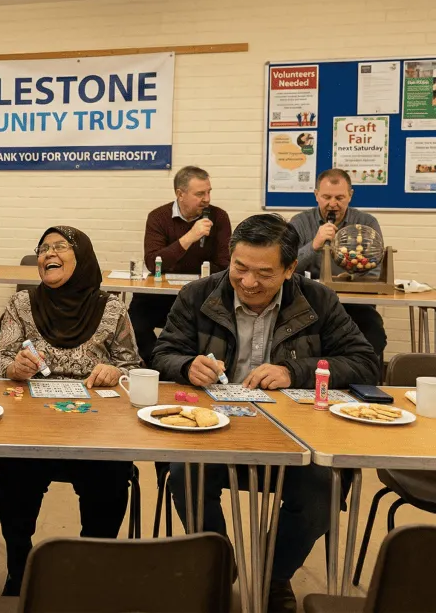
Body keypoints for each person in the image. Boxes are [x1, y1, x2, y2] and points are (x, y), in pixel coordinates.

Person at [151, 214, 378, 613]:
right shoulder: (198, 294)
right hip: (214, 430)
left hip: (293, 435)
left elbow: (363, 362)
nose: (249, 282)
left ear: (291, 269)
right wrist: (187, 366)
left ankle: (275, 574)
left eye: (264, 273)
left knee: (323, 488)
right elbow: (163, 353)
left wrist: (295, 372)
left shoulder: (317, 300)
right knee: (186, 475)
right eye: (240, 268)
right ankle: (219, 567)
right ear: (230, 257)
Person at [0, 226, 140, 597]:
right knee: (11, 471)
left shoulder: (112, 308)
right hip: (33, 426)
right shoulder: (21, 304)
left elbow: (135, 367)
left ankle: (91, 568)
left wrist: (116, 371)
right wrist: (14, 368)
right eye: (42, 248)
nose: (47, 254)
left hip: (95, 428)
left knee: (110, 477)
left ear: (82, 257)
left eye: (59, 247)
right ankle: (20, 568)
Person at [130, 166, 232, 367]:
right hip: (160, 295)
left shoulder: (218, 217)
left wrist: (177, 263)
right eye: (200, 194)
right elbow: (153, 261)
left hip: (201, 294)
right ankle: (158, 364)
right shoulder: (158, 217)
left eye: (209, 192)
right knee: (134, 320)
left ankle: (191, 365)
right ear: (180, 194)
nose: (207, 199)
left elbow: (224, 265)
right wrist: (190, 238)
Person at [289, 168, 388, 363]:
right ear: (316, 195)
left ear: (350, 196)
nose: (332, 204)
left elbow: (375, 270)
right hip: (310, 305)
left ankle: (362, 379)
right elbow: (286, 267)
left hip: (354, 306)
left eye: (340, 197)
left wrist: (348, 278)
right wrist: (314, 245)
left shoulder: (367, 223)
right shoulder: (300, 222)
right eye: (326, 197)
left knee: (373, 336)